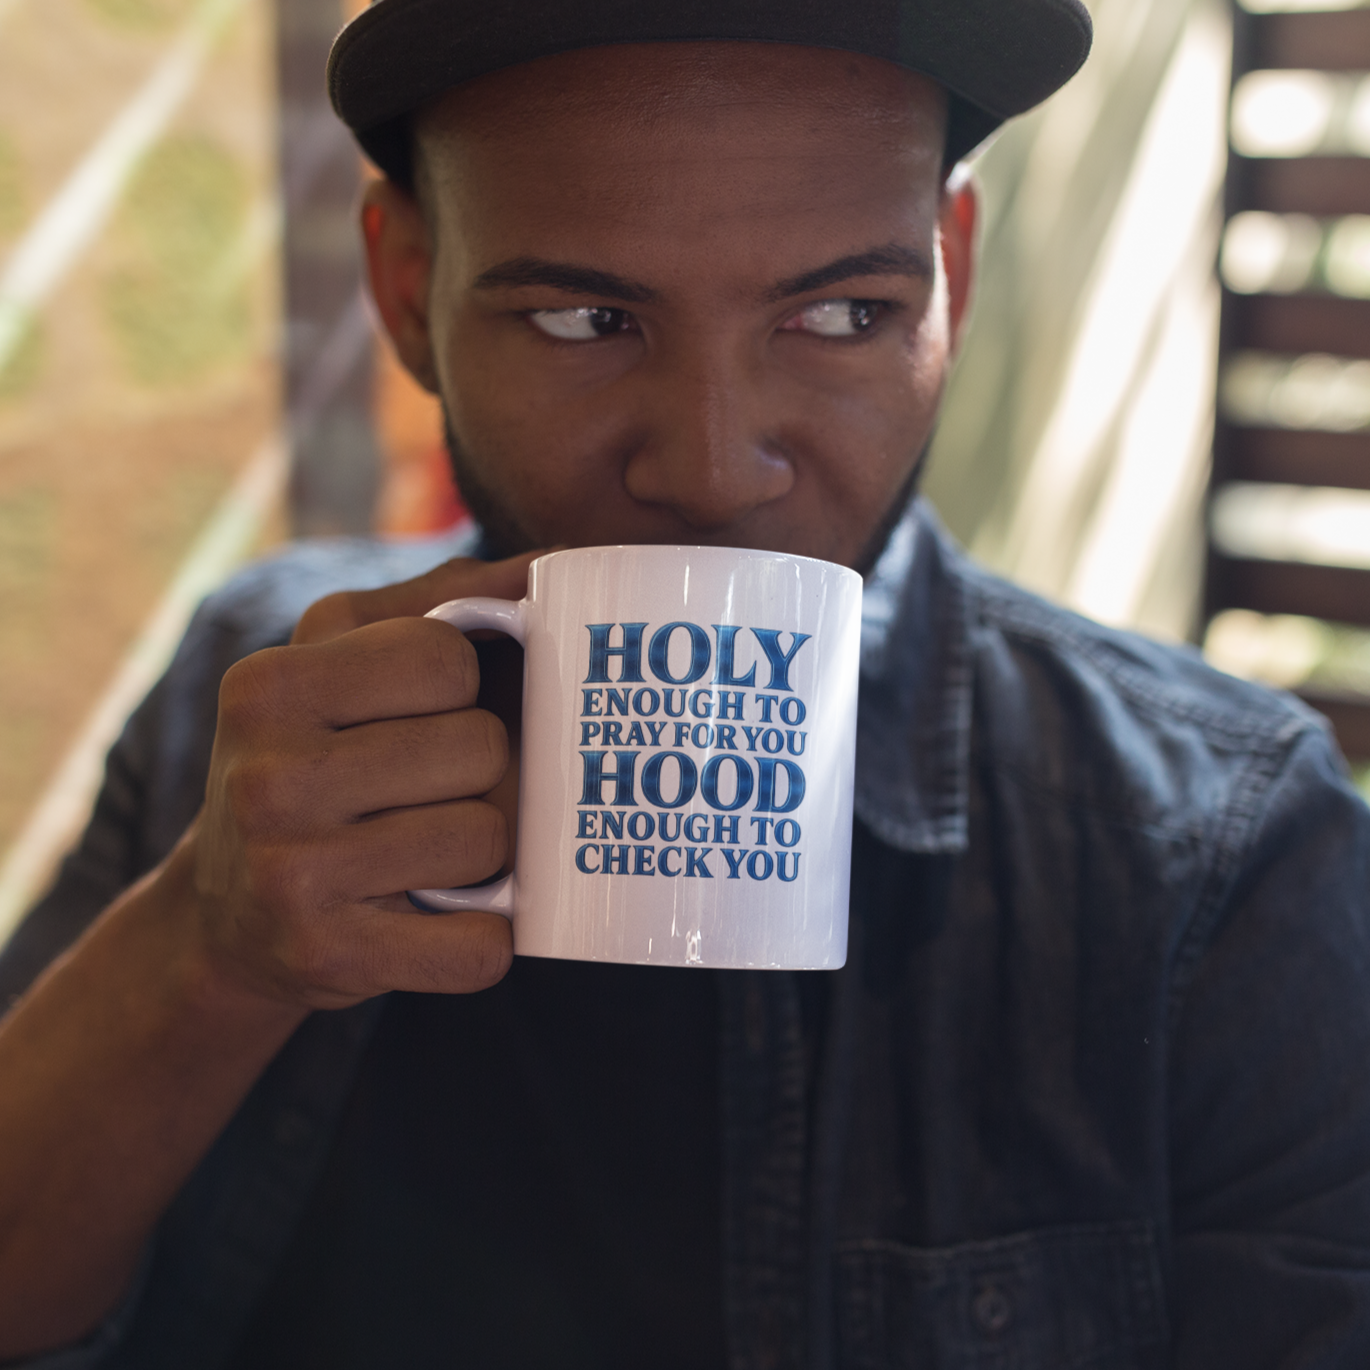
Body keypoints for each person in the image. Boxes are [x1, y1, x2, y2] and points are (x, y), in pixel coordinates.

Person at [2, 1, 1369, 1365]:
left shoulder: (1221, 861)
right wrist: (201, 948)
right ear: (408, 293)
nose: (714, 473)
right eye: (583, 317)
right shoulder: (253, 695)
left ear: (948, 272)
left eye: (843, 313)